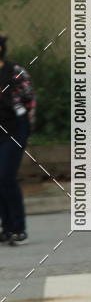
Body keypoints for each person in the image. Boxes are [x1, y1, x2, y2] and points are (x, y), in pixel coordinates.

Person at [0, 34, 36, 245]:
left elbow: (29, 101)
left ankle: (18, 228)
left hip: (14, 128)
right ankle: (6, 228)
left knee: (5, 176)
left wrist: (26, 130)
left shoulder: (15, 72)